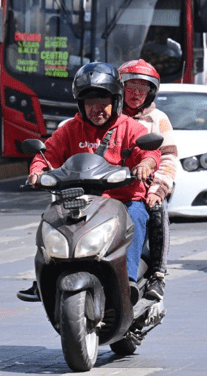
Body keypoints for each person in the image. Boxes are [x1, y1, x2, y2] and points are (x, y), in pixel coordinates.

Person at [17, 62, 160, 302]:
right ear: (80, 104)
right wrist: (37, 171)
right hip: (79, 200)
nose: (97, 108)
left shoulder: (131, 128)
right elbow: (47, 155)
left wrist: (145, 164)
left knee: (136, 215)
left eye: (103, 100)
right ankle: (46, 279)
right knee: (50, 219)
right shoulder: (70, 129)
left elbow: (150, 153)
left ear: (116, 101)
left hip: (123, 200)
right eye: (90, 101)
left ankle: (128, 281)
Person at [118, 59, 178, 301]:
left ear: (150, 92)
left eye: (142, 89)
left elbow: (168, 158)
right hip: (107, 186)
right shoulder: (109, 115)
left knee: (157, 211)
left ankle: (157, 274)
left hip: (145, 187)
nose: (136, 94)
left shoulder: (158, 119)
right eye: (131, 87)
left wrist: (157, 189)